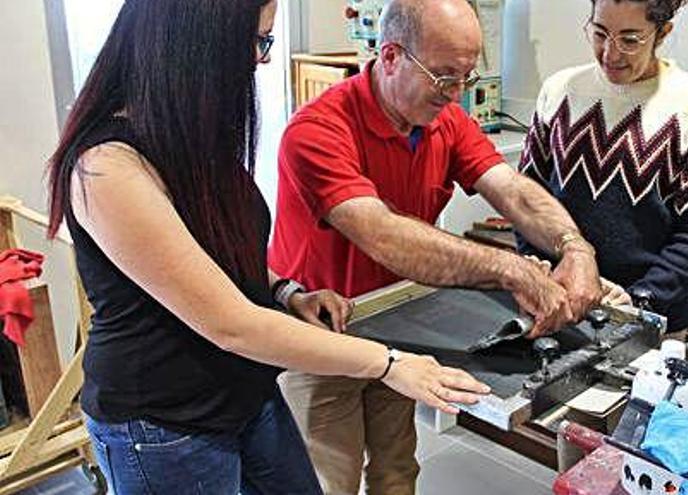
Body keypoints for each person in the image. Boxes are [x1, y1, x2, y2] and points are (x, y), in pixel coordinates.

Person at [45, 1, 490, 493]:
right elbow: (231, 323)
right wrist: (389, 362)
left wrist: (286, 292)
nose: (260, 59)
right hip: (165, 424)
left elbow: (224, 258)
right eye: (256, 41)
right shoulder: (106, 166)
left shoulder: (191, 137)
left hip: (245, 391)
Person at [268, 0, 608, 493]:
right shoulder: (317, 130)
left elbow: (510, 190)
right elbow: (383, 234)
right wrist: (512, 269)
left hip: (395, 328)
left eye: (467, 76)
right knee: (327, 482)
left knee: (397, 469)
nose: (456, 93)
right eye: (444, 75)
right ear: (390, 57)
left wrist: (576, 248)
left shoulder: (443, 119)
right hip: (321, 333)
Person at [519, 0, 688, 338]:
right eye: (600, 33)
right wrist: (536, 268)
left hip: (649, 316)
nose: (610, 54)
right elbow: (527, 197)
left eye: (630, 40)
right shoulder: (560, 91)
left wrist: (642, 299)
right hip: (557, 299)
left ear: (663, 33)